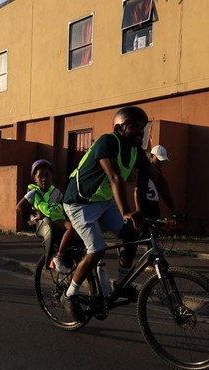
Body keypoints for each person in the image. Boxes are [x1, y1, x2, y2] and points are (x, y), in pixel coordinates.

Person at [60, 106, 159, 322]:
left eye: (143, 127)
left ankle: (121, 284)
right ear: (120, 127)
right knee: (97, 250)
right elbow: (115, 177)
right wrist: (127, 211)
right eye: (134, 126)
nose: (139, 131)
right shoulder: (107, 142)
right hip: (79, 202)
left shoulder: (134, 152)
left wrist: (178, 210)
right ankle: (70, 295)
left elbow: (158, 177)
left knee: (131, 233)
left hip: (102, 202)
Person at [16, 159, 78, 273]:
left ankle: (67, 257)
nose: (44, 178)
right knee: (72, 228)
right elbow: (18, 207)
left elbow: (64, 207)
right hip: (47, 222)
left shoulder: (57, 192)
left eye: (47, 175)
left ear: (52, 177)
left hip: (58, 219)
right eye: (40, 176)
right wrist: (35, 212)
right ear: (35, 179)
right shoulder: (33, 193)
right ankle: (58, 257)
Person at [134, 145, 180, 222]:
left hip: (154, 206)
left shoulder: (158, 172)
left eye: (162, 160)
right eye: (159, 159)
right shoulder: (144, 170)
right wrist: (138, 209)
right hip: (144, 206)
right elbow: (137, 189)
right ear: (152, 156)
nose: (161, 162)